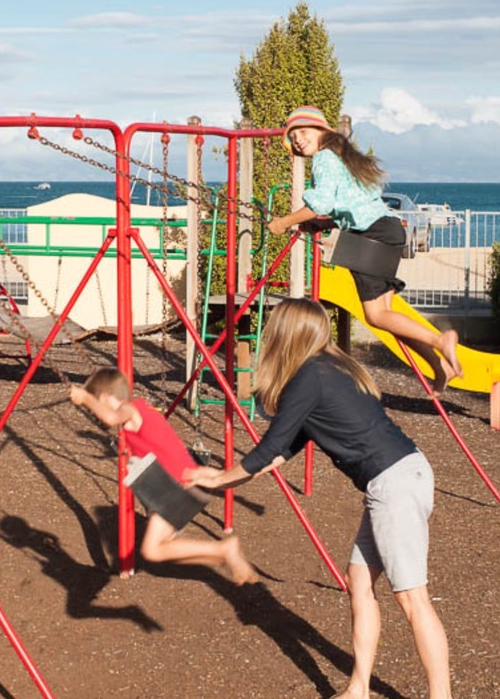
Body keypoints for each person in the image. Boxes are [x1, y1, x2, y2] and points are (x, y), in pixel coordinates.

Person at [187, 298, 452, 699]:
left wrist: (223, 479)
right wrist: (239, 473)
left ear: (286, 334)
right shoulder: (329, 369)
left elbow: (269, 448)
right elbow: (288, 444)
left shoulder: (310, 376)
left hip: (394, 484)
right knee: (359, 581)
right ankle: (358, 688)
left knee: (412, 597)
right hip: (399, 476)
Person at [268, 105, 462, 393]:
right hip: (388, 229)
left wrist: (284, 222)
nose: (298, 140)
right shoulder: (342, 157)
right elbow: (348, 204)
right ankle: (439, 365)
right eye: (294, 137)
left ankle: (440, 341)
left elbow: (320, 203)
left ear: (321, 131)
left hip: (371, 235)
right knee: (387, 316)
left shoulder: (324, 158)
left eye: (303, 132)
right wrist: (321, 225)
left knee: (376, 316)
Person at [69, 368, 255, 584]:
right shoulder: (146, 411)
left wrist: (85, 398)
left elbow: (110, 417)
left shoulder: (129, 410)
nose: (96, 414)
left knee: (153, 550)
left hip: (174, 487)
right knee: (161, 547)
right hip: (186, 484)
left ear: (107, 398)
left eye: (98, 405)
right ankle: (219, 556)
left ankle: (224, 549)